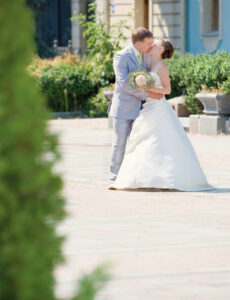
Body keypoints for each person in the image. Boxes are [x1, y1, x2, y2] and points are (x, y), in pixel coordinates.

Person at [112, 39, 215, 192]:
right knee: (144, 141)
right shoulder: (147, 64)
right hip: (147, 107)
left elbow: (167, 90)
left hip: (158, 108)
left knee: (160, 140)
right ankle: (141, 178)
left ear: (162, 50)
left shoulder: (161, 66)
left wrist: (148, 87)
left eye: (156, 43)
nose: (152, 44)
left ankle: (166, 178)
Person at [108, 28, 164, 189]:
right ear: (138, 44)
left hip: (143, 110)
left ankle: (134, 178)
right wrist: (146, 95)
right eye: (148, 42)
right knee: (119, 143)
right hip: (123, 109)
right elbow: (123, 83)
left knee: (140, 144)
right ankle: (113, 178)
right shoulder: (121, 56)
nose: (151, 45)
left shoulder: (147, 55)